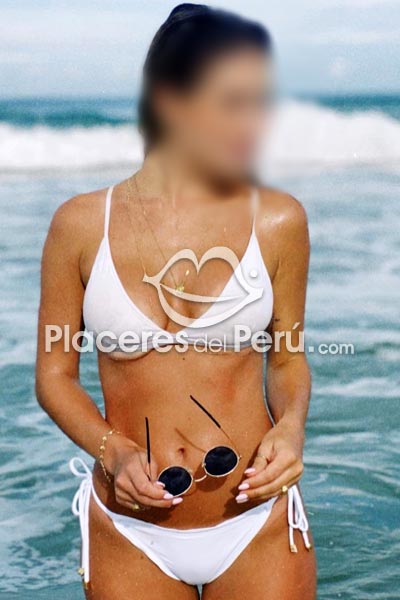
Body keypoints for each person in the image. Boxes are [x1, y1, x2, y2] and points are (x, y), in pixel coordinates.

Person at [36, 4, 316, 599]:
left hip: (256, 520)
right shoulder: (81, 225)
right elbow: (54, 376)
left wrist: (291, 429)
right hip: (129, 532)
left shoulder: (277, 220)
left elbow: (288, 359)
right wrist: (111, 451)